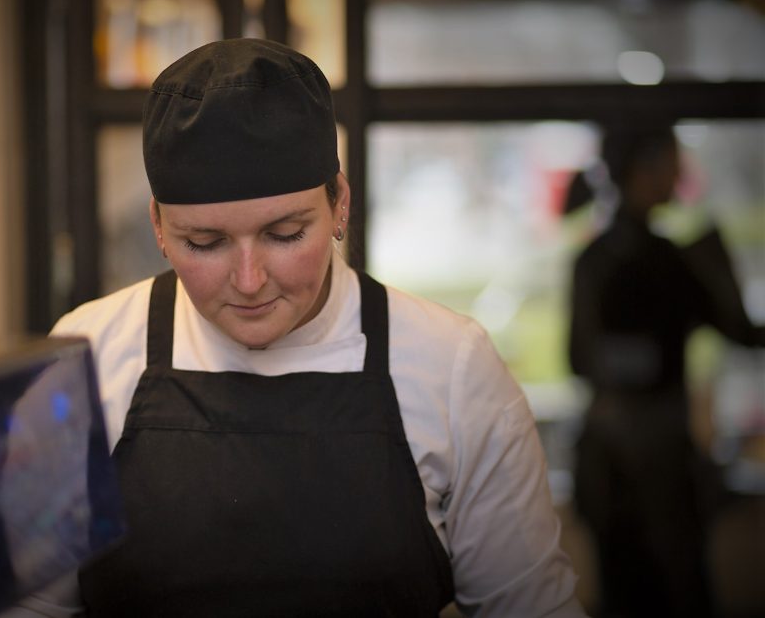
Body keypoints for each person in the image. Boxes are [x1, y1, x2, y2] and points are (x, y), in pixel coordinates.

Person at [38, 38, 584, 617]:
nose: (249, 280)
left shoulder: (452, 367)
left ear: (339, 204)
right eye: (205, 243)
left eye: (285, 234)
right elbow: (27, 605)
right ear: (159, 226)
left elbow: (529, 606)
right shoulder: (86, 357)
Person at [567, 123, 765, 618]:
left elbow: (578, 360)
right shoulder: (672, 260)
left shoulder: (594, 259)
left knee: (624, 588)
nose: (680, 173)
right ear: (645, 170)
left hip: (609, 454)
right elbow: (741, 330)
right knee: (678, 588)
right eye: (672, 162)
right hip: (659, 455)